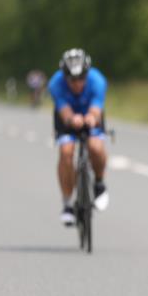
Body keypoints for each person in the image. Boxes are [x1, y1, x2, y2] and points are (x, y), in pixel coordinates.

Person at [48, 48, 109, 226]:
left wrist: (91, 118)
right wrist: (71, 119)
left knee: (95, 147)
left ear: (87, 73)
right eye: (72, 79)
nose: (77, 84)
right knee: (66, 152)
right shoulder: (55, 83)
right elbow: (64, 110)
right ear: (64, 76)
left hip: (91, 114)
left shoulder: (98, 80)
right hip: (67, 117)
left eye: (81, 78)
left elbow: (96, 108)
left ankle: (99, 183)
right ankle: (67, 204)